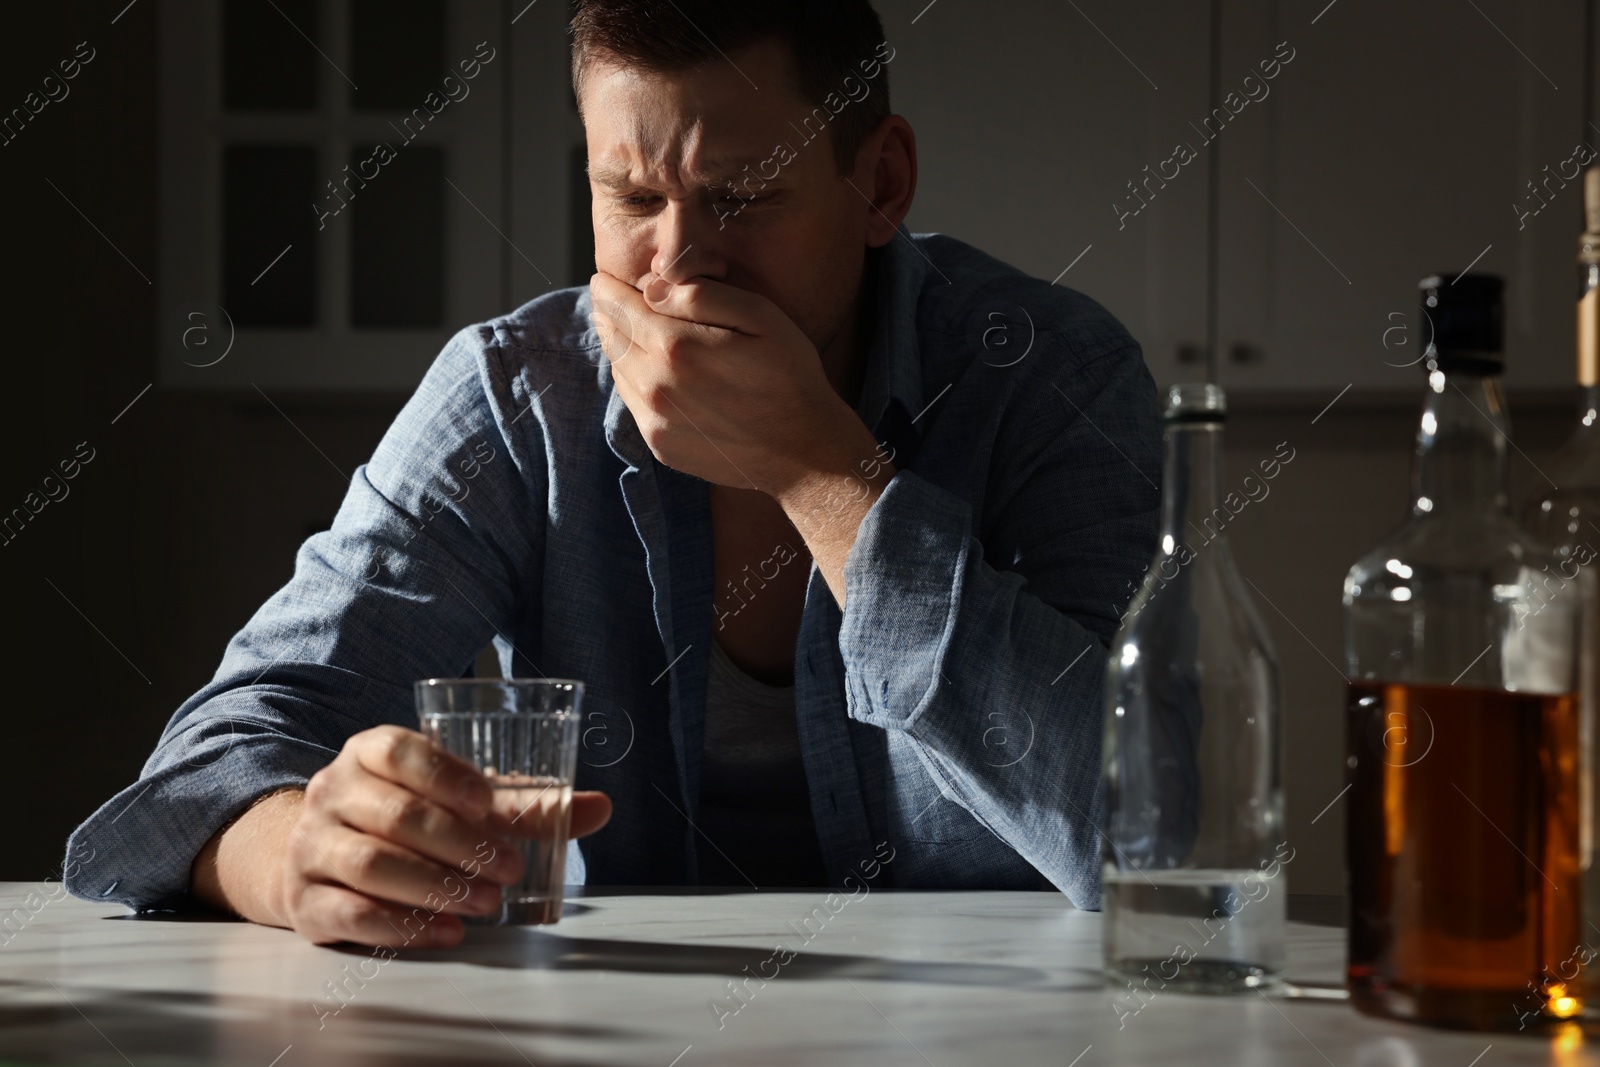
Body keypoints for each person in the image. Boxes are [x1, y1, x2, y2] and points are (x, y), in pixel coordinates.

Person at [63, 0, 1161, 949]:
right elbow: (223, 748)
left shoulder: (1050, 371)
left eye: (740, 197)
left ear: (880, 183)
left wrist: (825, 474)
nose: (678, 261)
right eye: (631, 200)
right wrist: (293, 851)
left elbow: (1151, 836)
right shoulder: (515, 396)